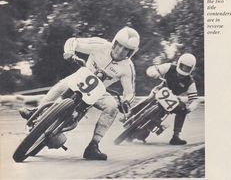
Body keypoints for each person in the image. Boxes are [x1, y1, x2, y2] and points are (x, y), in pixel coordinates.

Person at [19, 26, 140, 160]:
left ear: (131, 53)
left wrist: (126, 101)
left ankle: (93, 146)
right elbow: (73, 41)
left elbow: (130, 91)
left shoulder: (128, 67)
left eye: (126, 49)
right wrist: (70, 52)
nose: (120, 50)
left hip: (99, 91)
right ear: (115, 42)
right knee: (62, 84)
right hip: (81, 76)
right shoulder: (100, 45)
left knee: (112, 106)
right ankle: (36, 111)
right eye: (119, 45)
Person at [144, 53, 199, 145]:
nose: (184, 69)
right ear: (179, 63)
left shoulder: (190, 81)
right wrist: (155, 73)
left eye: (187, 68)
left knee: (182, 110)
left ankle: (176, 136)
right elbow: (152, 69)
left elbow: (195, 99)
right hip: (160, 90)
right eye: (183, 66)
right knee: (149, 98)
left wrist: (190, 108)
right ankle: (131, 113)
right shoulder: (169, 67)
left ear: (191, 69)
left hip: (173, 99)